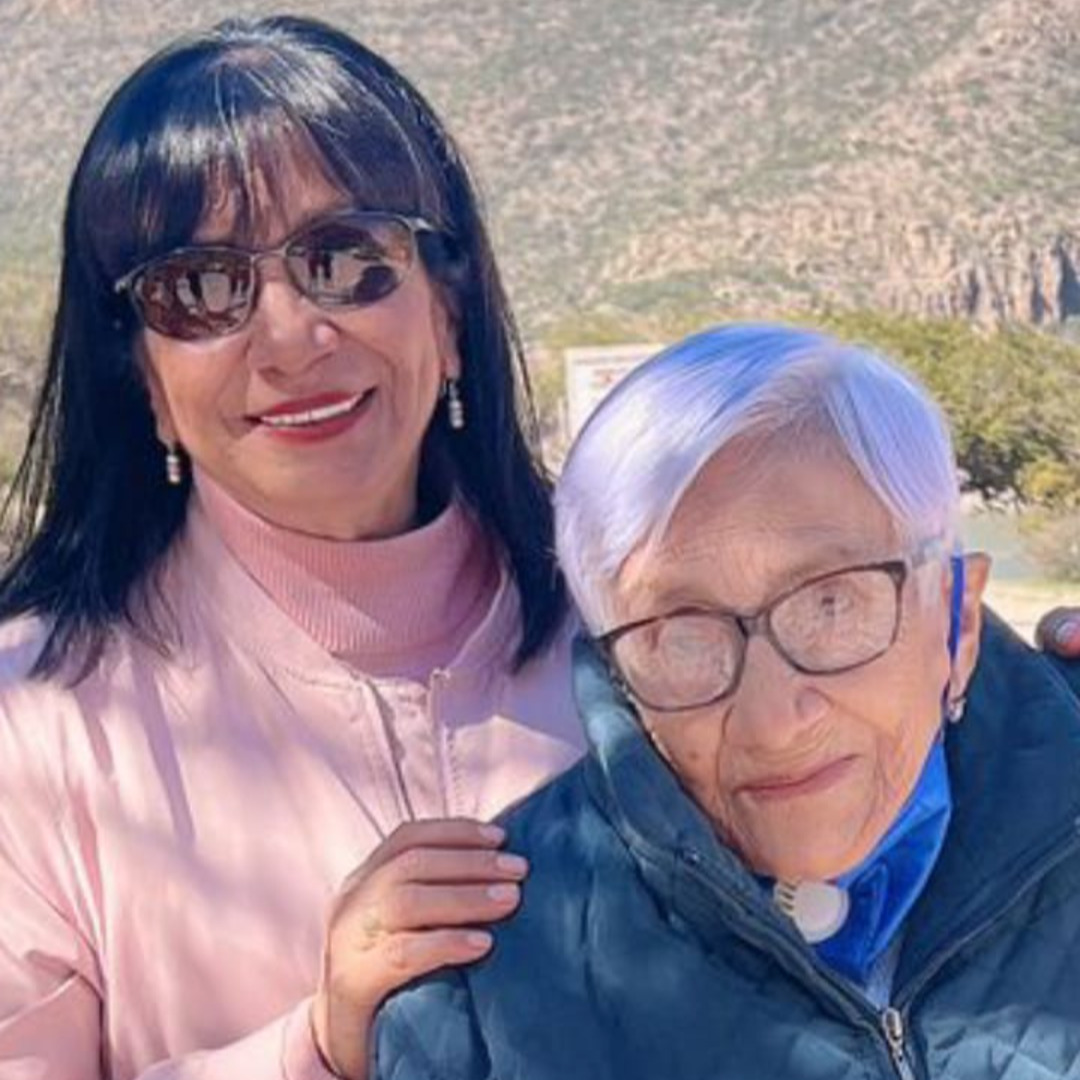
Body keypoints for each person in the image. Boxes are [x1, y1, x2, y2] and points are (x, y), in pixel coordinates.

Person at [0, 16, 587, 1080]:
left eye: (347, 258)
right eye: (200, 289)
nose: (288, 337)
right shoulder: (31, 728)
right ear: (142, 380)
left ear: (448, 311)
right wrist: (320, 1044)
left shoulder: (641, 633)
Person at [374, 324, 1080, 1079]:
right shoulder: (478, 996)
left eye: (831, 603)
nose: (772, 725)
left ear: (957, 620)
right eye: (682, 637)